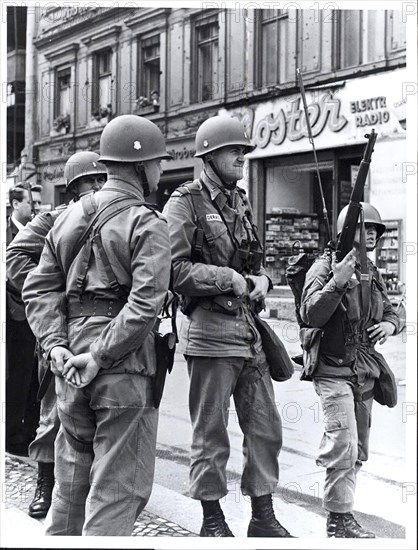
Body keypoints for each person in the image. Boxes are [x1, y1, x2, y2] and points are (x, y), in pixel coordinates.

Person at [22, 115, 172, 536]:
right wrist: (100, 355)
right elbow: (145, 303)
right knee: (118, 490)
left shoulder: (66, 218)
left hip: (69, 363)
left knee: (70, 488)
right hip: (120, 366)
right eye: (157, 163)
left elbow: (38, 289)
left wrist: (56, 347)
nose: (160, 172)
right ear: (140, 165)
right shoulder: (147, 221)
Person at [163, 115, 294, 538]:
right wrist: (227, 279)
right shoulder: (185, 202)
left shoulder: (240, 200)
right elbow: (171, 269)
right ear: (209, 156)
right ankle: (213, 521)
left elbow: (255, 261)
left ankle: (262, 516)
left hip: (248, 330)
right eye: (234, 150)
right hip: (210, 332)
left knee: (265, 427)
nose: (242, 156)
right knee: (211, 432)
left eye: (243, 150)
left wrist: (263, 280)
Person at [6, 151, 107, 519]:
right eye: (88, 182)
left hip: (105, 332)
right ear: (72, 188)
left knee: (103, 410)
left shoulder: (116, 218)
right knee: (53, 410)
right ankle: (46, 482)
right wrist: (54, 289)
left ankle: (95, 486)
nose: (96, 187)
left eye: (101, 181)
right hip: (60, 330)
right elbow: (14, 258)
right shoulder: (53, 219)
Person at [299, 202, 400, 538]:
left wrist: (390, 324)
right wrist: (338, 282)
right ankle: (338, 518)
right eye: (365, 229)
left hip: (364, 371)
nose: (371, 235)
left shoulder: (372, 271)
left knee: (358, 449)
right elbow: (310, 314)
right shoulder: (324, 267)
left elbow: (391, 309)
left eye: (375, 231)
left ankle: (343, 513)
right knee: (342, 443)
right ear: (348, 233)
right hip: (332, 371)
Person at [5, 183, 43, 456]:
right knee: (16, 375)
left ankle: (29, 430)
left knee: (34, 376)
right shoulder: (6, 233)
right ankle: (12, 435)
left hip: (35, 313)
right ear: (16, 204)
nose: (35, 207)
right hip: (14, 315)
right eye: (30, 202)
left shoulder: (38, 231)